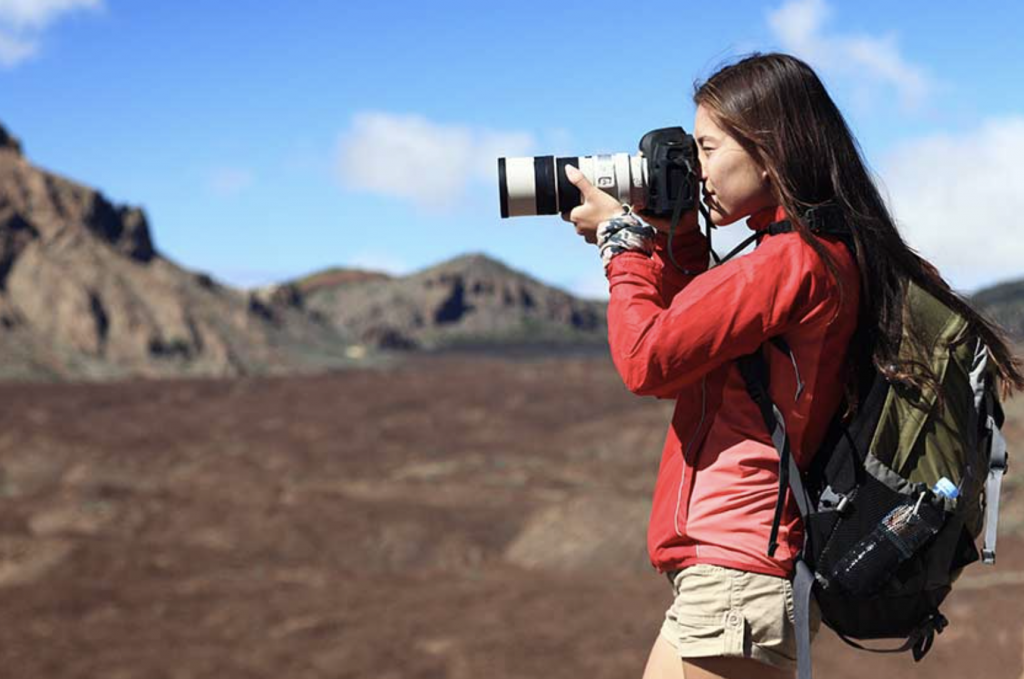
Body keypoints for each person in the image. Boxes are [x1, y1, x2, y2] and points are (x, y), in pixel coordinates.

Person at [560, 52, 1024, 679]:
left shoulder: (790, 260)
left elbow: (648, 361)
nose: (697, 170)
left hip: (737, 575)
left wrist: (623, 246)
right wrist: (679, 240)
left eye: (707, 147)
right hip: (743, 581)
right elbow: (697, 348)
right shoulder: (815, 253)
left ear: (768, 148)